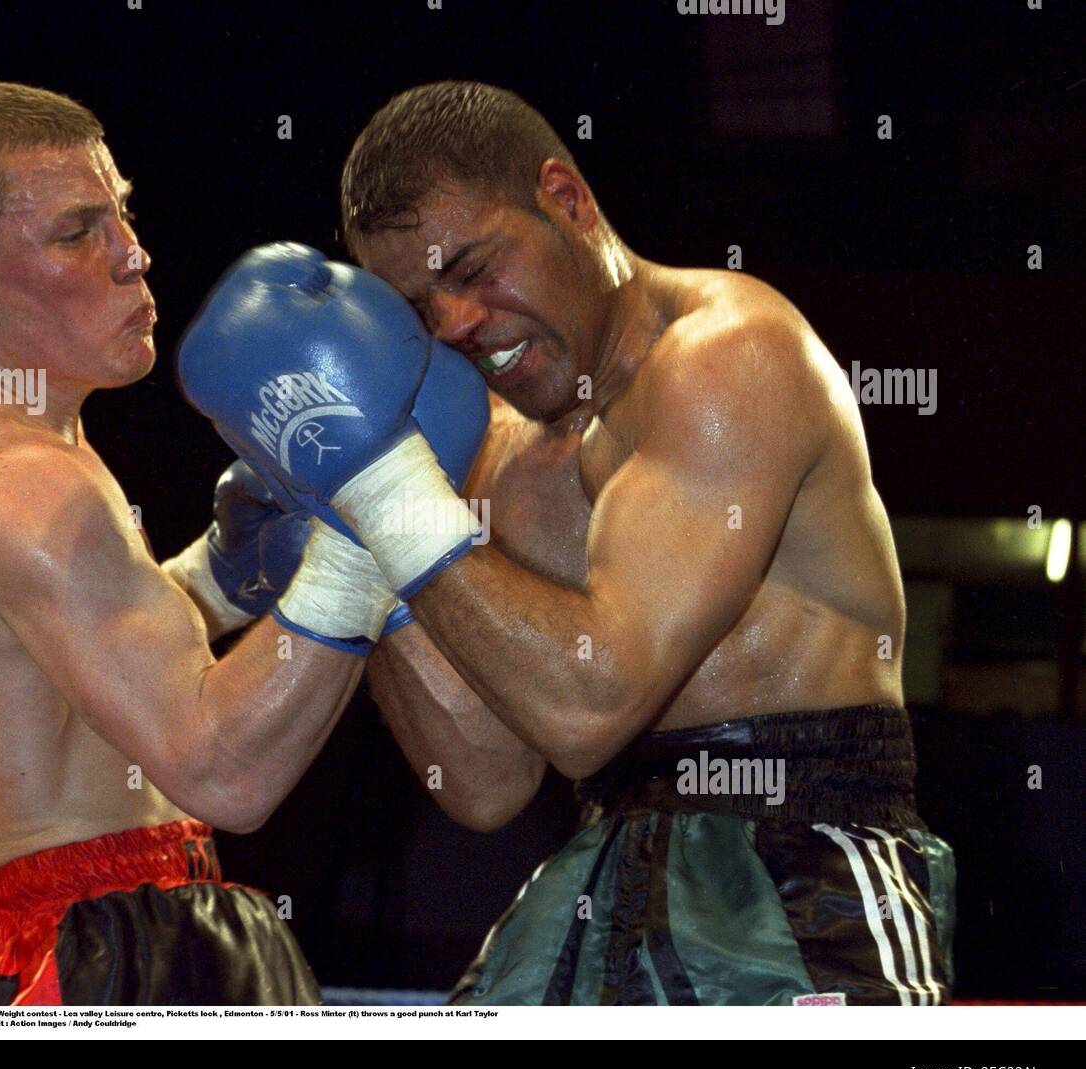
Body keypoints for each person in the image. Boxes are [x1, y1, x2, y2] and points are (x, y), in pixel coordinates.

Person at [196, 81, 958, 1005]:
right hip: (604, 862)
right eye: (420, 306)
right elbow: (486, 782)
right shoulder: (494, 448)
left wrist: (386, 491)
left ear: (566, 200)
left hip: (803, 860)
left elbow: (592, 705)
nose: (456, 325)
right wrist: (356, 549)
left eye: (473, 270)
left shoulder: (726, 356)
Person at [0, 79, 416, 1005]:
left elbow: (55, 665)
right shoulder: (24, 484)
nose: (133, 254)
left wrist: (216, 578)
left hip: (42, 947)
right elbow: (224, 773)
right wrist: (368, 529)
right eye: (78, 233)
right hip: (118, 951)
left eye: (122, 213)